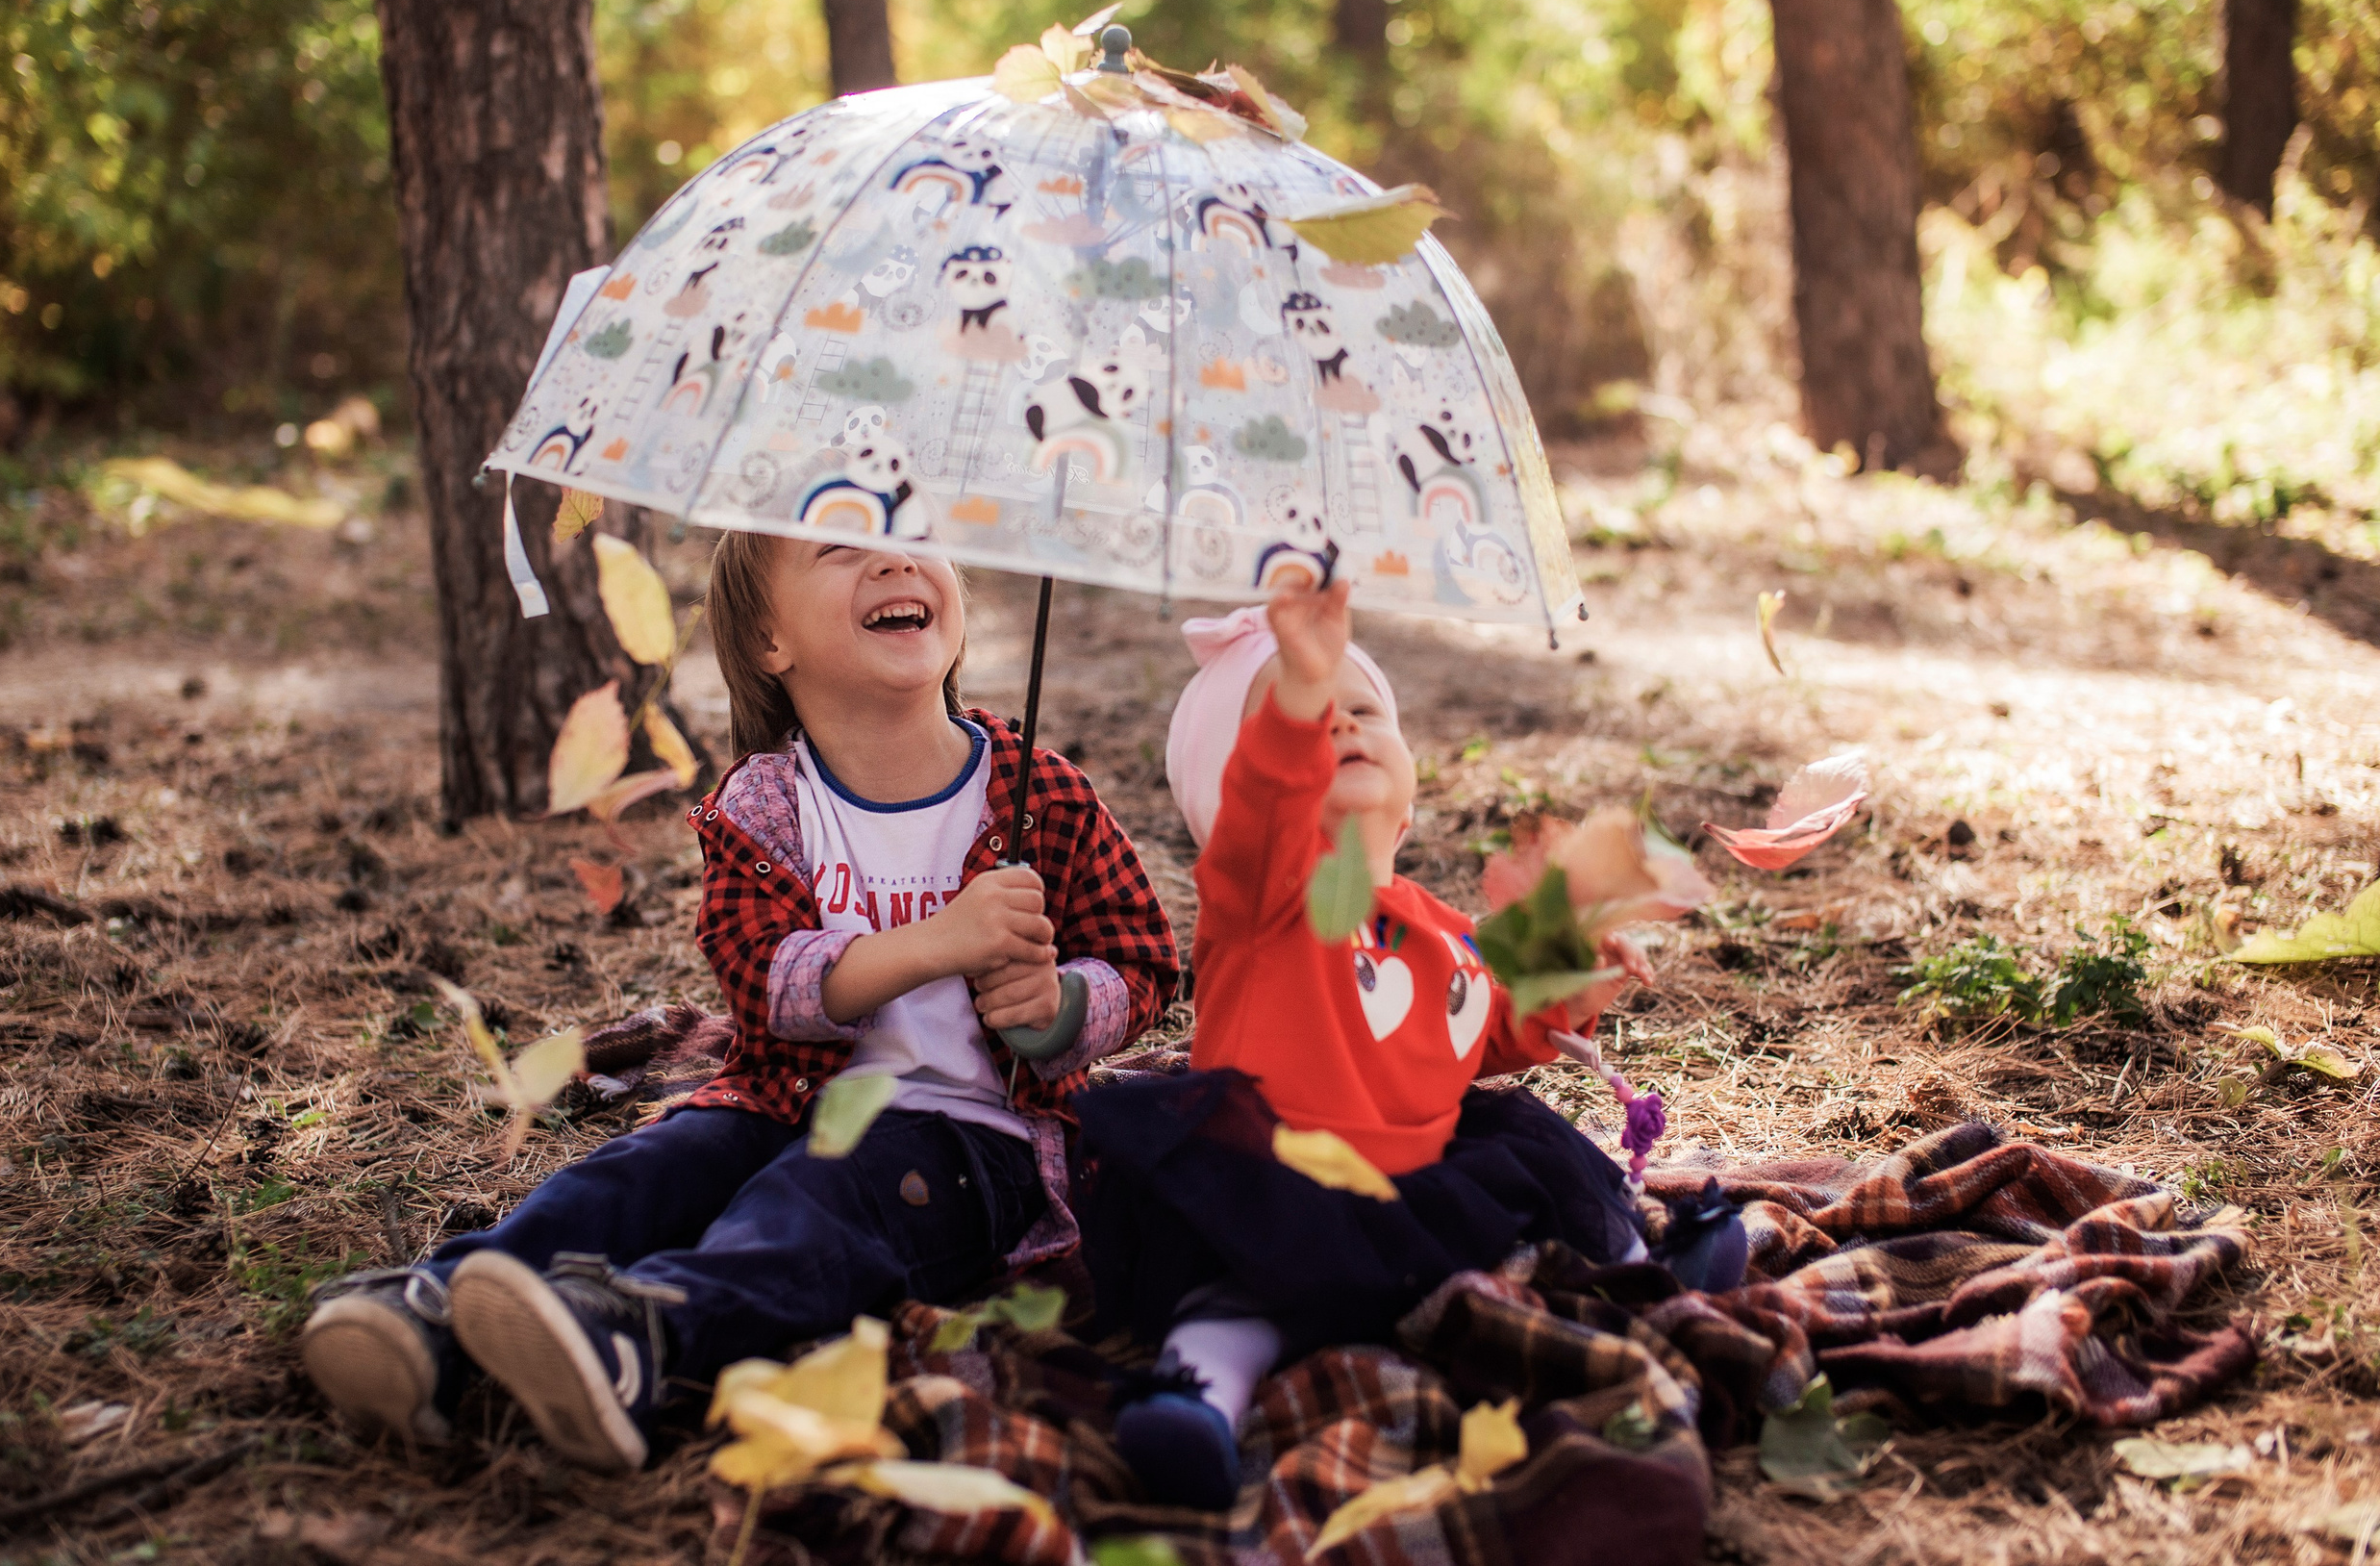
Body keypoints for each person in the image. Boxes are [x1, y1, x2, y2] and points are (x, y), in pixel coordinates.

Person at [301, 536, 1178, 1470]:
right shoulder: (765, 802)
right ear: (768, 641)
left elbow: (1142, 960)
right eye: (843, 546)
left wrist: (1054, 1010)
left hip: (969, 1141)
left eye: (916, 536)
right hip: (781, 1101)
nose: (895, 561)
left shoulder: (1040, 792)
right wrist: (938, 942)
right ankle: (441, 1309)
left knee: (819, 1204)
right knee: (654, 1167)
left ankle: (647, 1338)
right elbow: (766, 984)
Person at [1078, 578, 1713, 1511]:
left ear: (1409, 801)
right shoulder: (1263, 898)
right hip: (1276, 1181)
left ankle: (1645, 1265)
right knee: (1238, 1299)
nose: (1337, 720)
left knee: (1534, 1149)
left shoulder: (1441, 929)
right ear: (1232, 808)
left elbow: (1484, 1029)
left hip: (1411, 1181)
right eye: (1304, 718)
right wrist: (1300, 683)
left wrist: (1575, 979)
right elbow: (1266, 801)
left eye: (1363, 709)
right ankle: (1196, 1399)